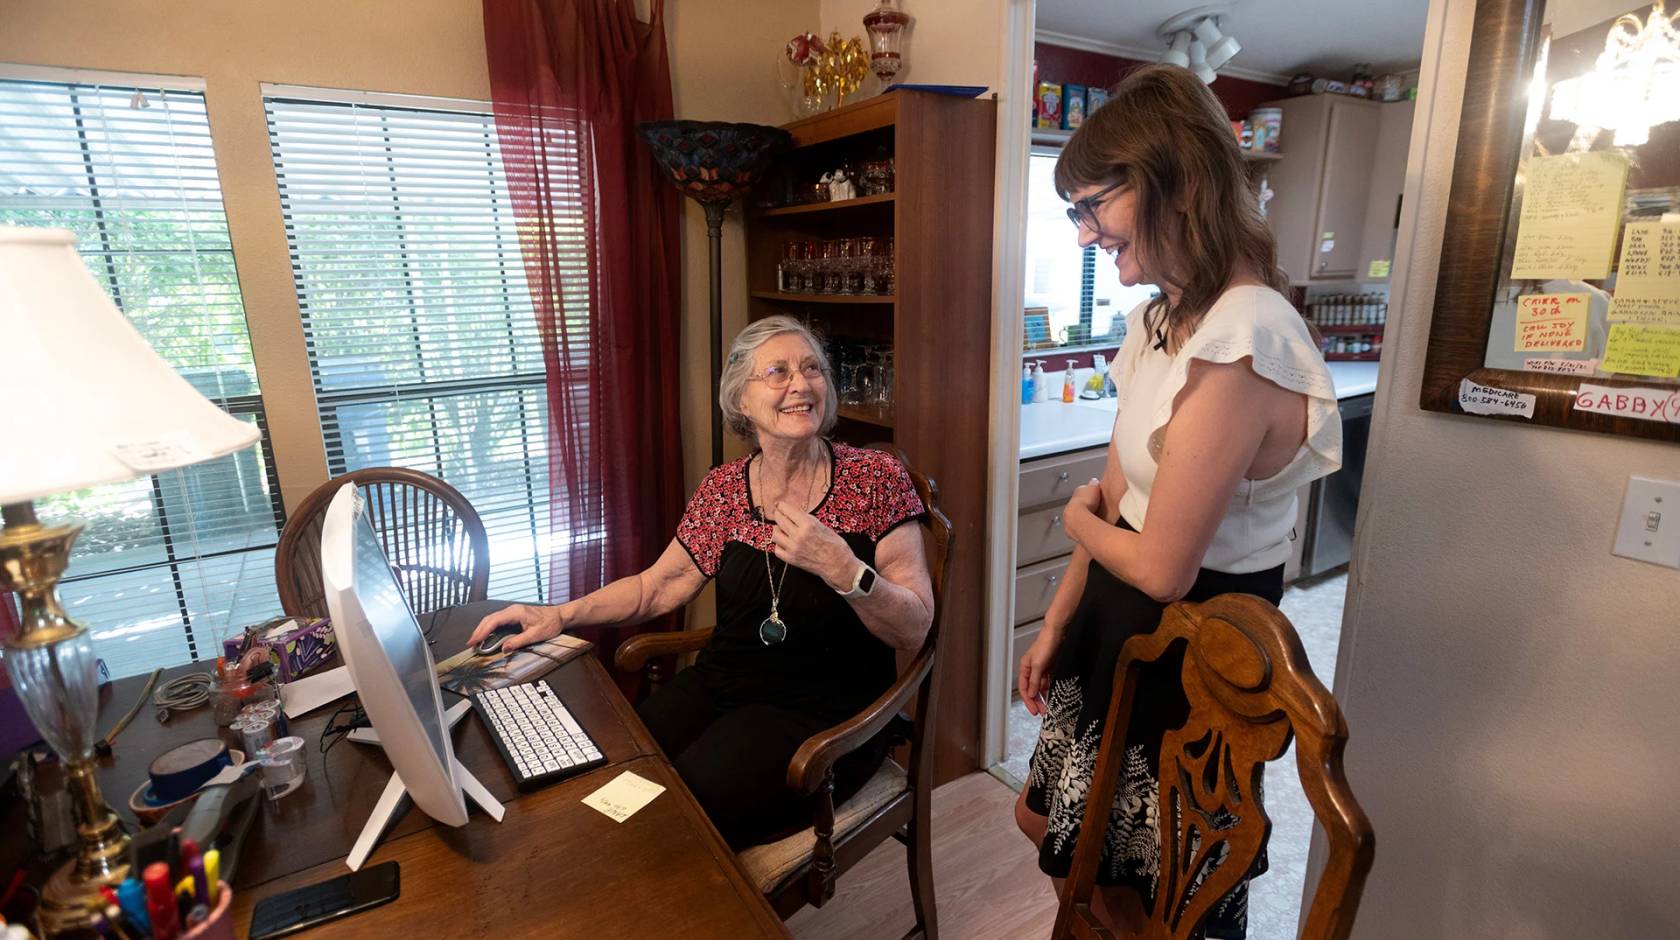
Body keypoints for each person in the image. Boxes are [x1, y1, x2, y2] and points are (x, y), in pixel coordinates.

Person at [1013, 64, 1343, 937]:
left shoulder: (1249, 334)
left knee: (1155, 898)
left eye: (1093, 207)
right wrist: (1057, 620)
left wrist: (1075, 519)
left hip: (1196, 652)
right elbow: (1120, 490)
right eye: (1074, 213)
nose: (1085, 235)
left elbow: (1159, 562)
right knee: (1052, 832)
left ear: (1174, 177)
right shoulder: (1165, 320)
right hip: (1118, 628)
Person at [470, 315, 935, 849]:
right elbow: (657, 587)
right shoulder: (724, 489)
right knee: (617, 770)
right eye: (778, 372)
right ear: (741, 399)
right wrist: (558, 614)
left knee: (677, 810)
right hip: (722, 684)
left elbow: (914, 628)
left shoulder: (873, 478)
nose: (800, 384)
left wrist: (844, 569)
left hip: (823, 713)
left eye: (812, 370)